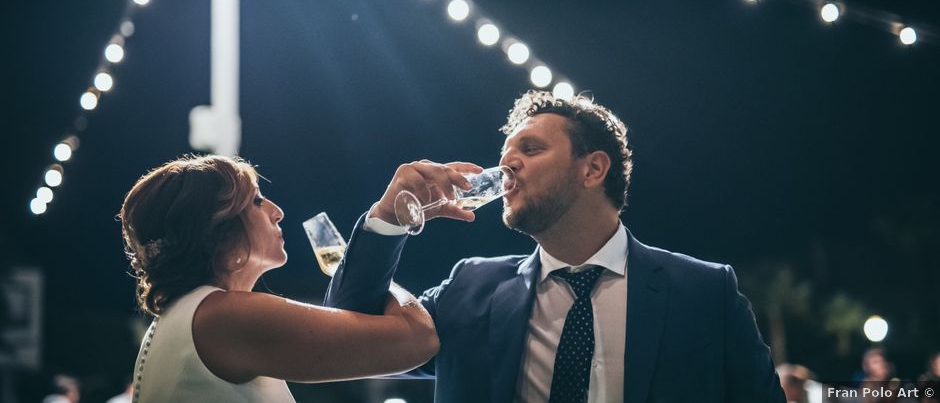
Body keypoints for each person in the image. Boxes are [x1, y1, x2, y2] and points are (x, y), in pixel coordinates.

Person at [325, 90, 786, 402]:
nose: (507, 167)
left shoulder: (704, 292)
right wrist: (388, 220)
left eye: (530, 150)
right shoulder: (471, 287)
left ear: (592, 170)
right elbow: (347, 340)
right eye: (505, 156)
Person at [119, 155, 438, 403]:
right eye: (257, 201)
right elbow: (417, 339)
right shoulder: (226, 317)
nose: (277, 211)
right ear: (219, 228)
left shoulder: (188, 317)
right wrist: (370, 242)